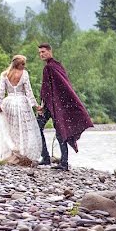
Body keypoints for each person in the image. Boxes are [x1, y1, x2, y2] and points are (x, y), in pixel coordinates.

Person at [36, 43, 93, 171]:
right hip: (53, 104)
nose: (41, 54)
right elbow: (48, 89)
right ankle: (51, 158)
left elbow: (55, 88)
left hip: (55, 105)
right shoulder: (54, 66)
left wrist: (43, 105)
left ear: (50, 51)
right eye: (39, 52)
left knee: (55, 131)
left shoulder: (51, 67)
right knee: (41, 128)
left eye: (43, 52)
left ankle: (61, 162)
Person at [0, 54, 43, 165]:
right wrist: (35, 105)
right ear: (17, 63)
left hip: (9, 102)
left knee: (13, 128)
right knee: (24, 128)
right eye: (23, 64)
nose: (24, 66)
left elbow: (2, 92)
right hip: (22, 103)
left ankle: (16, 153)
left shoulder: (4, 75)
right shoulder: (24, 74)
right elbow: (29, 91)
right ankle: (22, 152)